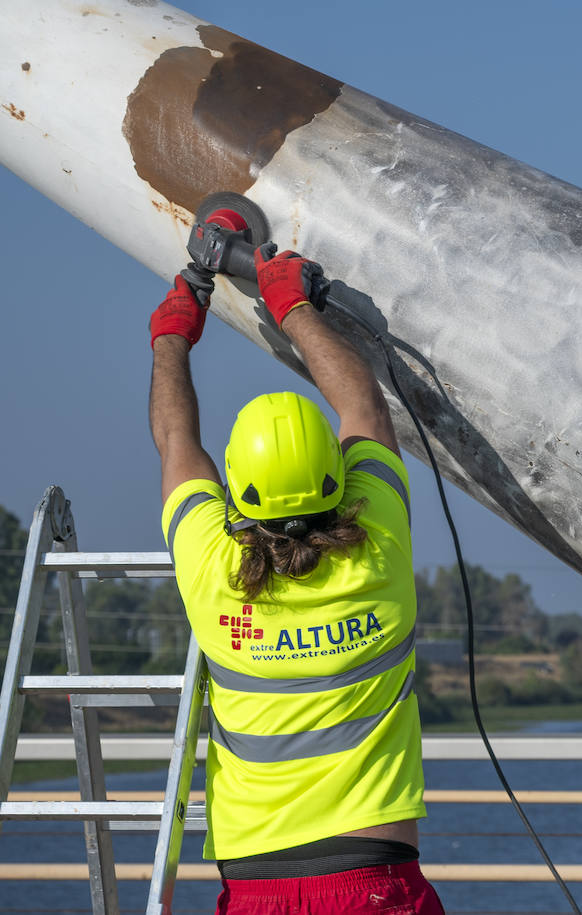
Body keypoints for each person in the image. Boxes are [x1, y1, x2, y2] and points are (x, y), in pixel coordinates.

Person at [148, 247, 445, 914]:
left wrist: (172, 337)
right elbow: (364, 407)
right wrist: (293, 306)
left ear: (237, 498)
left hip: (256, 886)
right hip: (374, 880)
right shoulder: (380, 551)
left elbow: (176, 443)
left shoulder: (214, 569)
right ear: (339, 484)